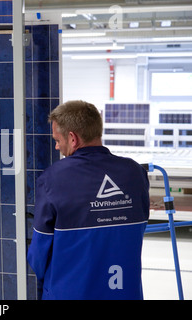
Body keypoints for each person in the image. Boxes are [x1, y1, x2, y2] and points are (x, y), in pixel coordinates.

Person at [27, 100, 150, 300]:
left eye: (57, 140)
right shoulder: (135, 172)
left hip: (71, 291)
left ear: (73, 138)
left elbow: (40, 251)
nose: (57, 146)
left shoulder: (52, 179)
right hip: (125, 292)